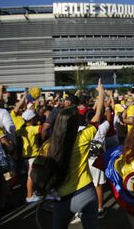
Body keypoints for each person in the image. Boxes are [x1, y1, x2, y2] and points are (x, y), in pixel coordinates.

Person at [42, 79, 104, 229]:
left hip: (60, 197)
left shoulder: (46, 146)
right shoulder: (83, 137)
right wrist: (101, 93)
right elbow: (97, 116)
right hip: (86, 192)